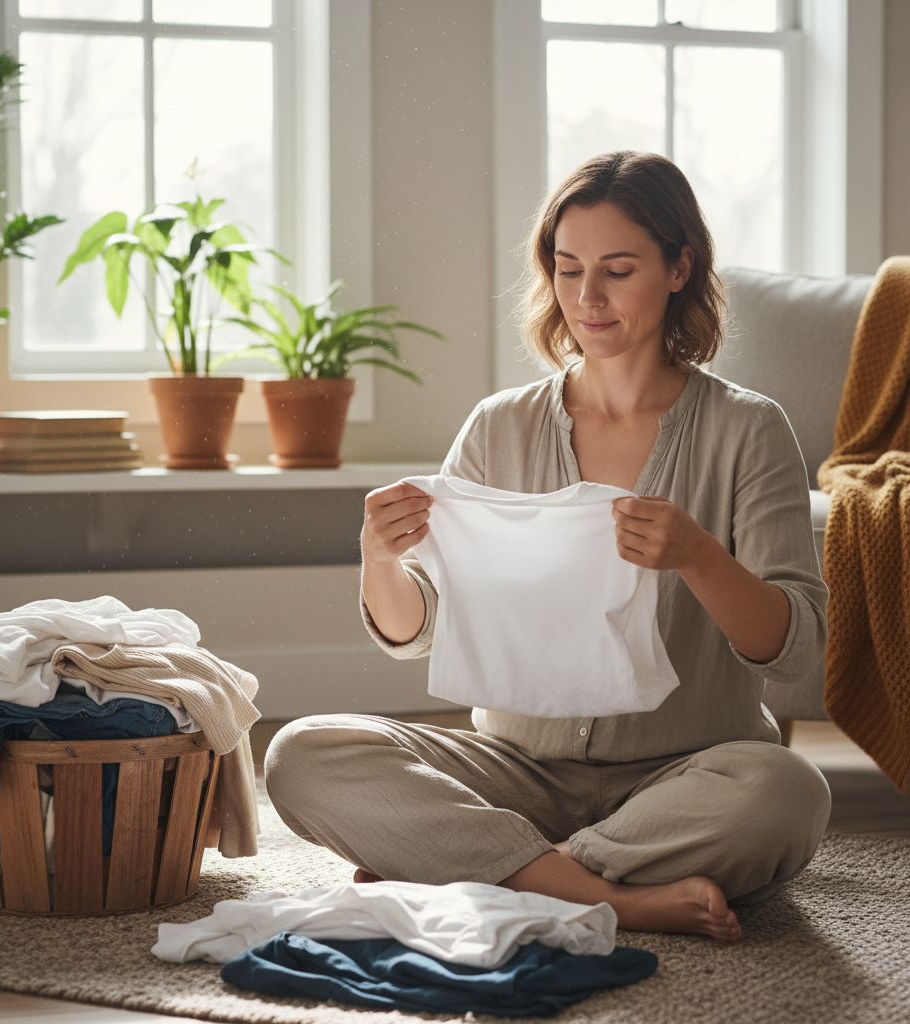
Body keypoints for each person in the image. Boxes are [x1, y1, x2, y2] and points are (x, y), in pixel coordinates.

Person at [265, 151, 831, 944]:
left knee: (788, 792)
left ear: (679, 268)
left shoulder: (749, 428)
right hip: (515, 776)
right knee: (302, 753)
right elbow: (419, 629)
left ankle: (494, 871)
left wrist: (700, 556)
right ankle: (610, 895)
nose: (587, 297)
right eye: (568, 270)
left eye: (617, 270)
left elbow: (796, 651)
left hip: (686, 775)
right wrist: (380, 558)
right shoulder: (499, 425)